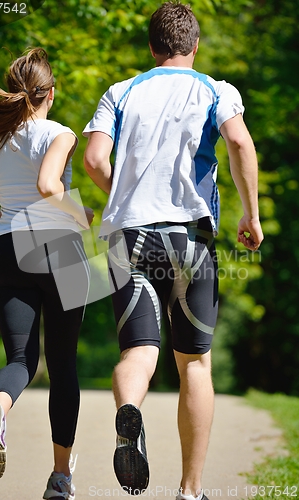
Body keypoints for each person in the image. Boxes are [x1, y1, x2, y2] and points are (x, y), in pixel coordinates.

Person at [83, 2, 263, 499]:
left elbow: (95, 158)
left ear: (151, 47)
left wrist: (123, 196)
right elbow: (240, 144)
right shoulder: (216, 90)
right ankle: (190, 491)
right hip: (190, 239)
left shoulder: (119, 92)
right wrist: (251, 214)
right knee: (195, 365)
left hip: (129, 238)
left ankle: (130, 415)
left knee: (138, 351)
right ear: (195, 45)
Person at [0, 47, 93, 499]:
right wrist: (83, 214)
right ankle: (60, 479)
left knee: (21, 361)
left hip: (8, 251)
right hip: (58, 248)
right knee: (62, 367)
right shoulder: (61, 134)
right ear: (50, 93)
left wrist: (11, 221)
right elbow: (48, 185)